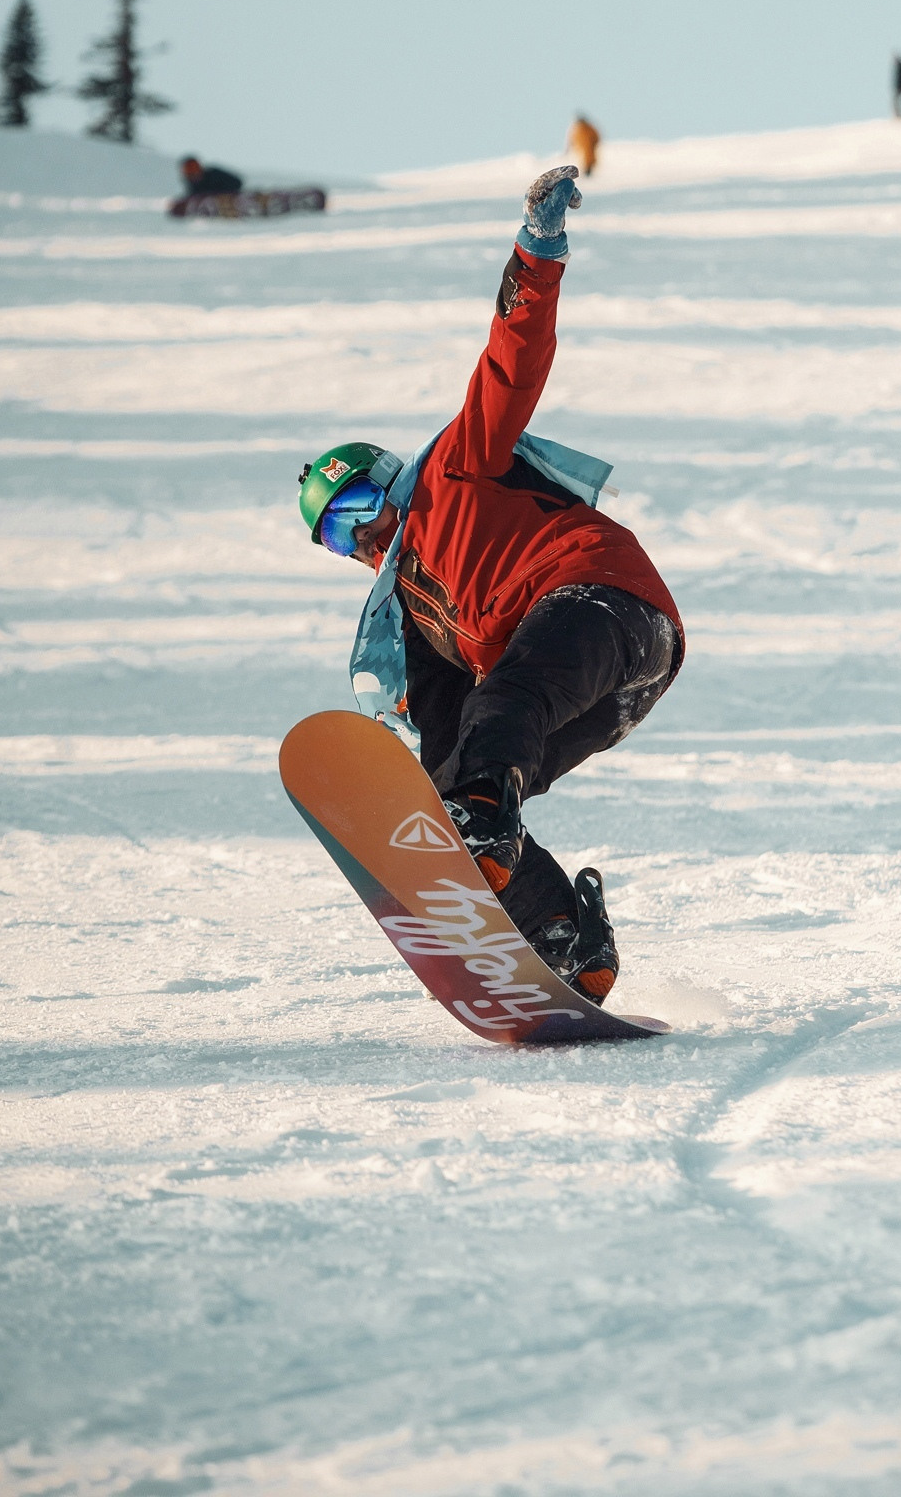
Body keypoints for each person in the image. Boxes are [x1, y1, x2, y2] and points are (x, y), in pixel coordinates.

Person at [297, 167, 683, 1004]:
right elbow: (447, 731)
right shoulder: (412, 613)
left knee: (498, 726)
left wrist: (536, 253)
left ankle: (480, 819)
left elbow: (513, 363)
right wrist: (426, 810)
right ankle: (567, 937)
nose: (359, 538)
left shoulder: (454, 469)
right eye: (334, 535)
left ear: (391, 481)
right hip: (613, 689)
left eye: (357, 508)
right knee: (463, 787)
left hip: (607, 604)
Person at [179, 155, 243, 197]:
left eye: (194, 171)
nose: (193, 176)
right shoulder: (192, 185)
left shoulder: (214, 175)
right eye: (190, 174)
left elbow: (237, 183)